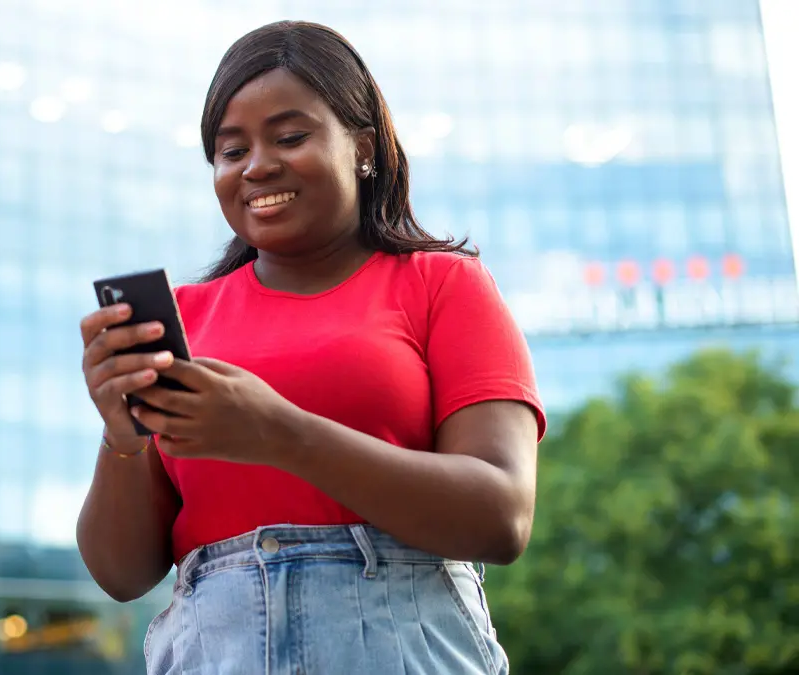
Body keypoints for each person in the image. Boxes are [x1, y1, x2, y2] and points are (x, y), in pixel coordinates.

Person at [76, 20, 545, 675]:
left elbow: (501, 514)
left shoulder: (444, 284)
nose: (257, 165)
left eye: (290, 137)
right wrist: (121, 436)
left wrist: (281, 433)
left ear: (363, 147)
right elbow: (122, 574)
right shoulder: (184, 319)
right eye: (230, 149)